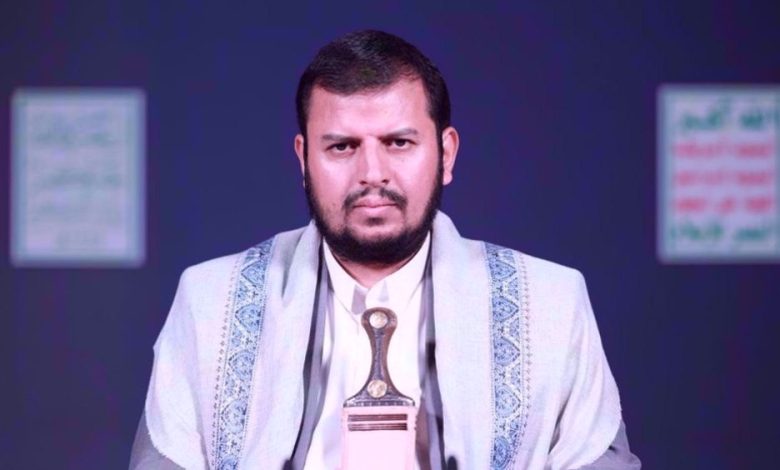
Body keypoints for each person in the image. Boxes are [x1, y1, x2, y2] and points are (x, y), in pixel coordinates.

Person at [130, 30, 641, 470]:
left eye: (398, 143)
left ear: (446, 154)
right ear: (304, 160)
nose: (371, 174)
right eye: (342, 146)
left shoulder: (549, 304)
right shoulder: (211, 303)